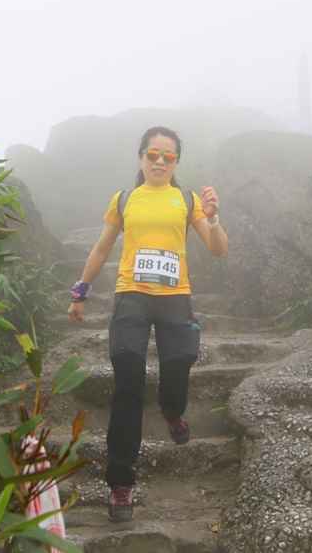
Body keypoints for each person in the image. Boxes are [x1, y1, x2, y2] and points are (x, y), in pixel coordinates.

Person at [67, 126, 228, 521]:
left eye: (168, 156)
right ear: (141, 158)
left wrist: (213, 218)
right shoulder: (125, 200)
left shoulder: (187, 199)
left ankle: (172, 408)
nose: (160, 161)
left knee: (179, 362)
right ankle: (120, 483)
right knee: (127, 382)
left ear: (176, 163)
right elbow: (103, 246)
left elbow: (217, 249)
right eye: (153, 154)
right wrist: (81, 291)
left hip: (175, 297)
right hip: (132, 297)